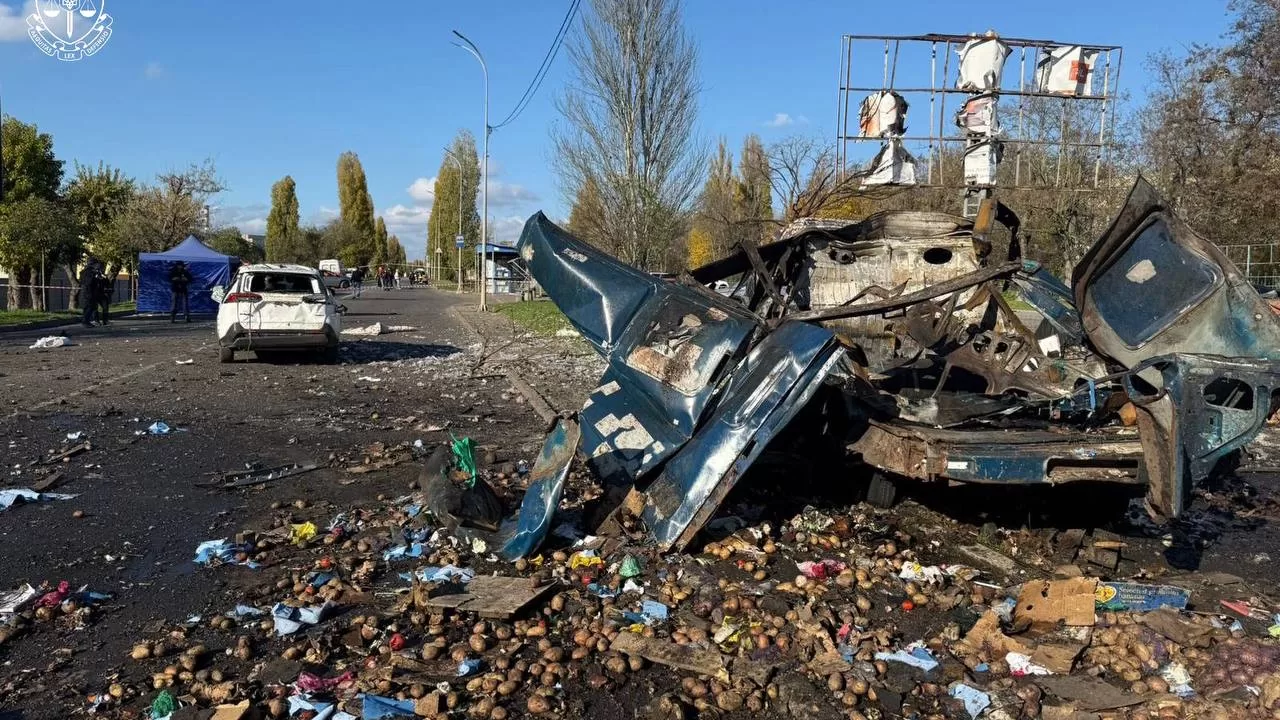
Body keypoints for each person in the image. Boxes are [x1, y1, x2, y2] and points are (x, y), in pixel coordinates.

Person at [79, 260, 100, 327]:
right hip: (89, 291)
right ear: (93, 264)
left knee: (89, 306)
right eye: (97, 264)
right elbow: (89, 282)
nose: (98, 266)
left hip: (86, 291)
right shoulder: (90, 272)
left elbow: (81, 281)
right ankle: (86, 321)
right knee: (89, 306)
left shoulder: (84, 271)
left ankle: (87, 321)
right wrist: (96, 278)